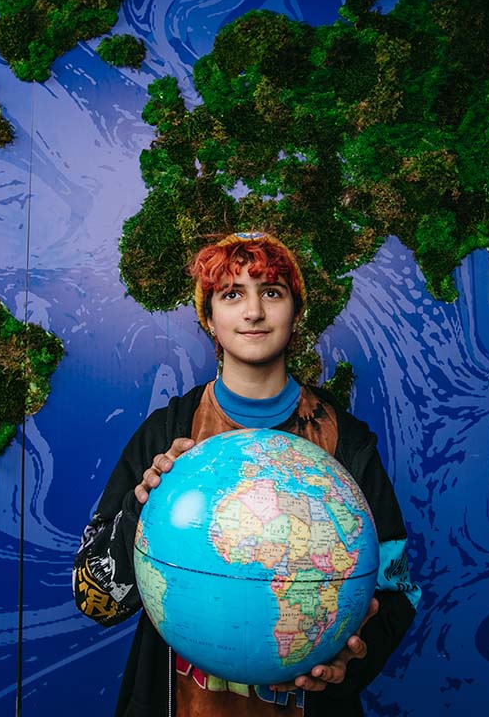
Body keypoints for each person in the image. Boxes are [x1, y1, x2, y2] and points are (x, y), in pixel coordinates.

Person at [73, 232, 420, 716]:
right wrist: (139, 508)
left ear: (296, 313)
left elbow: (397, 591)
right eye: (232, 294)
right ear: (209, 319)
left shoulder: (346, 441)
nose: (253, 312)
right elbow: (95, 601)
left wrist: (349, 665)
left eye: (271, 292)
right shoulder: (166, 435)